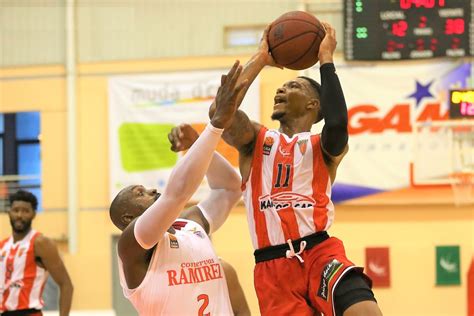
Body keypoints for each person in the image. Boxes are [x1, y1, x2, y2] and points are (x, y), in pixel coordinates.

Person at [208, 22, 382, 316]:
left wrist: (326, 59)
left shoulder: (323, 148)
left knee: (365, 311)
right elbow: (220, 114)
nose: (282, 87)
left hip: (320, 254)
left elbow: (338, 124)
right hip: (272, 268)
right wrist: (262, 58)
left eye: (294, 85)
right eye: (283, 84)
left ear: (314, 104)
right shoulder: (255, 141)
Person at [109, 62, 249, 315]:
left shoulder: (189, 226)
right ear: (128, 219)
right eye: (140, 193)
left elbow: (230, 189)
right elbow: (177, 195)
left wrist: (197, 142)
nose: (152, 191)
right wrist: (215, 126)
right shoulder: (131, 247)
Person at [0, 190, 73, 316]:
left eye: (25, 211)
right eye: (16, 210)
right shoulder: (3, 246)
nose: (19, 215)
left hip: (30, 312)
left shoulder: (41, 243)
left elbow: (66, 285)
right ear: (9, 212)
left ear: (34, 214)